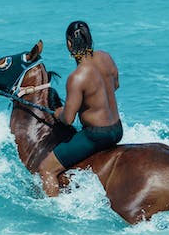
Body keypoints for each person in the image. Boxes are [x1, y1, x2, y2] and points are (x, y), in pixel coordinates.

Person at [38, 21, 123, 197]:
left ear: (69, 43)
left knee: (46, 169)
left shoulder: (77, 77)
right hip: (117, 129)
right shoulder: (106, 57)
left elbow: (68, 119)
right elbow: (115, 85)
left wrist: (58, 112)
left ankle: (53, 213)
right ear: (90, 39)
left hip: (97, 135)